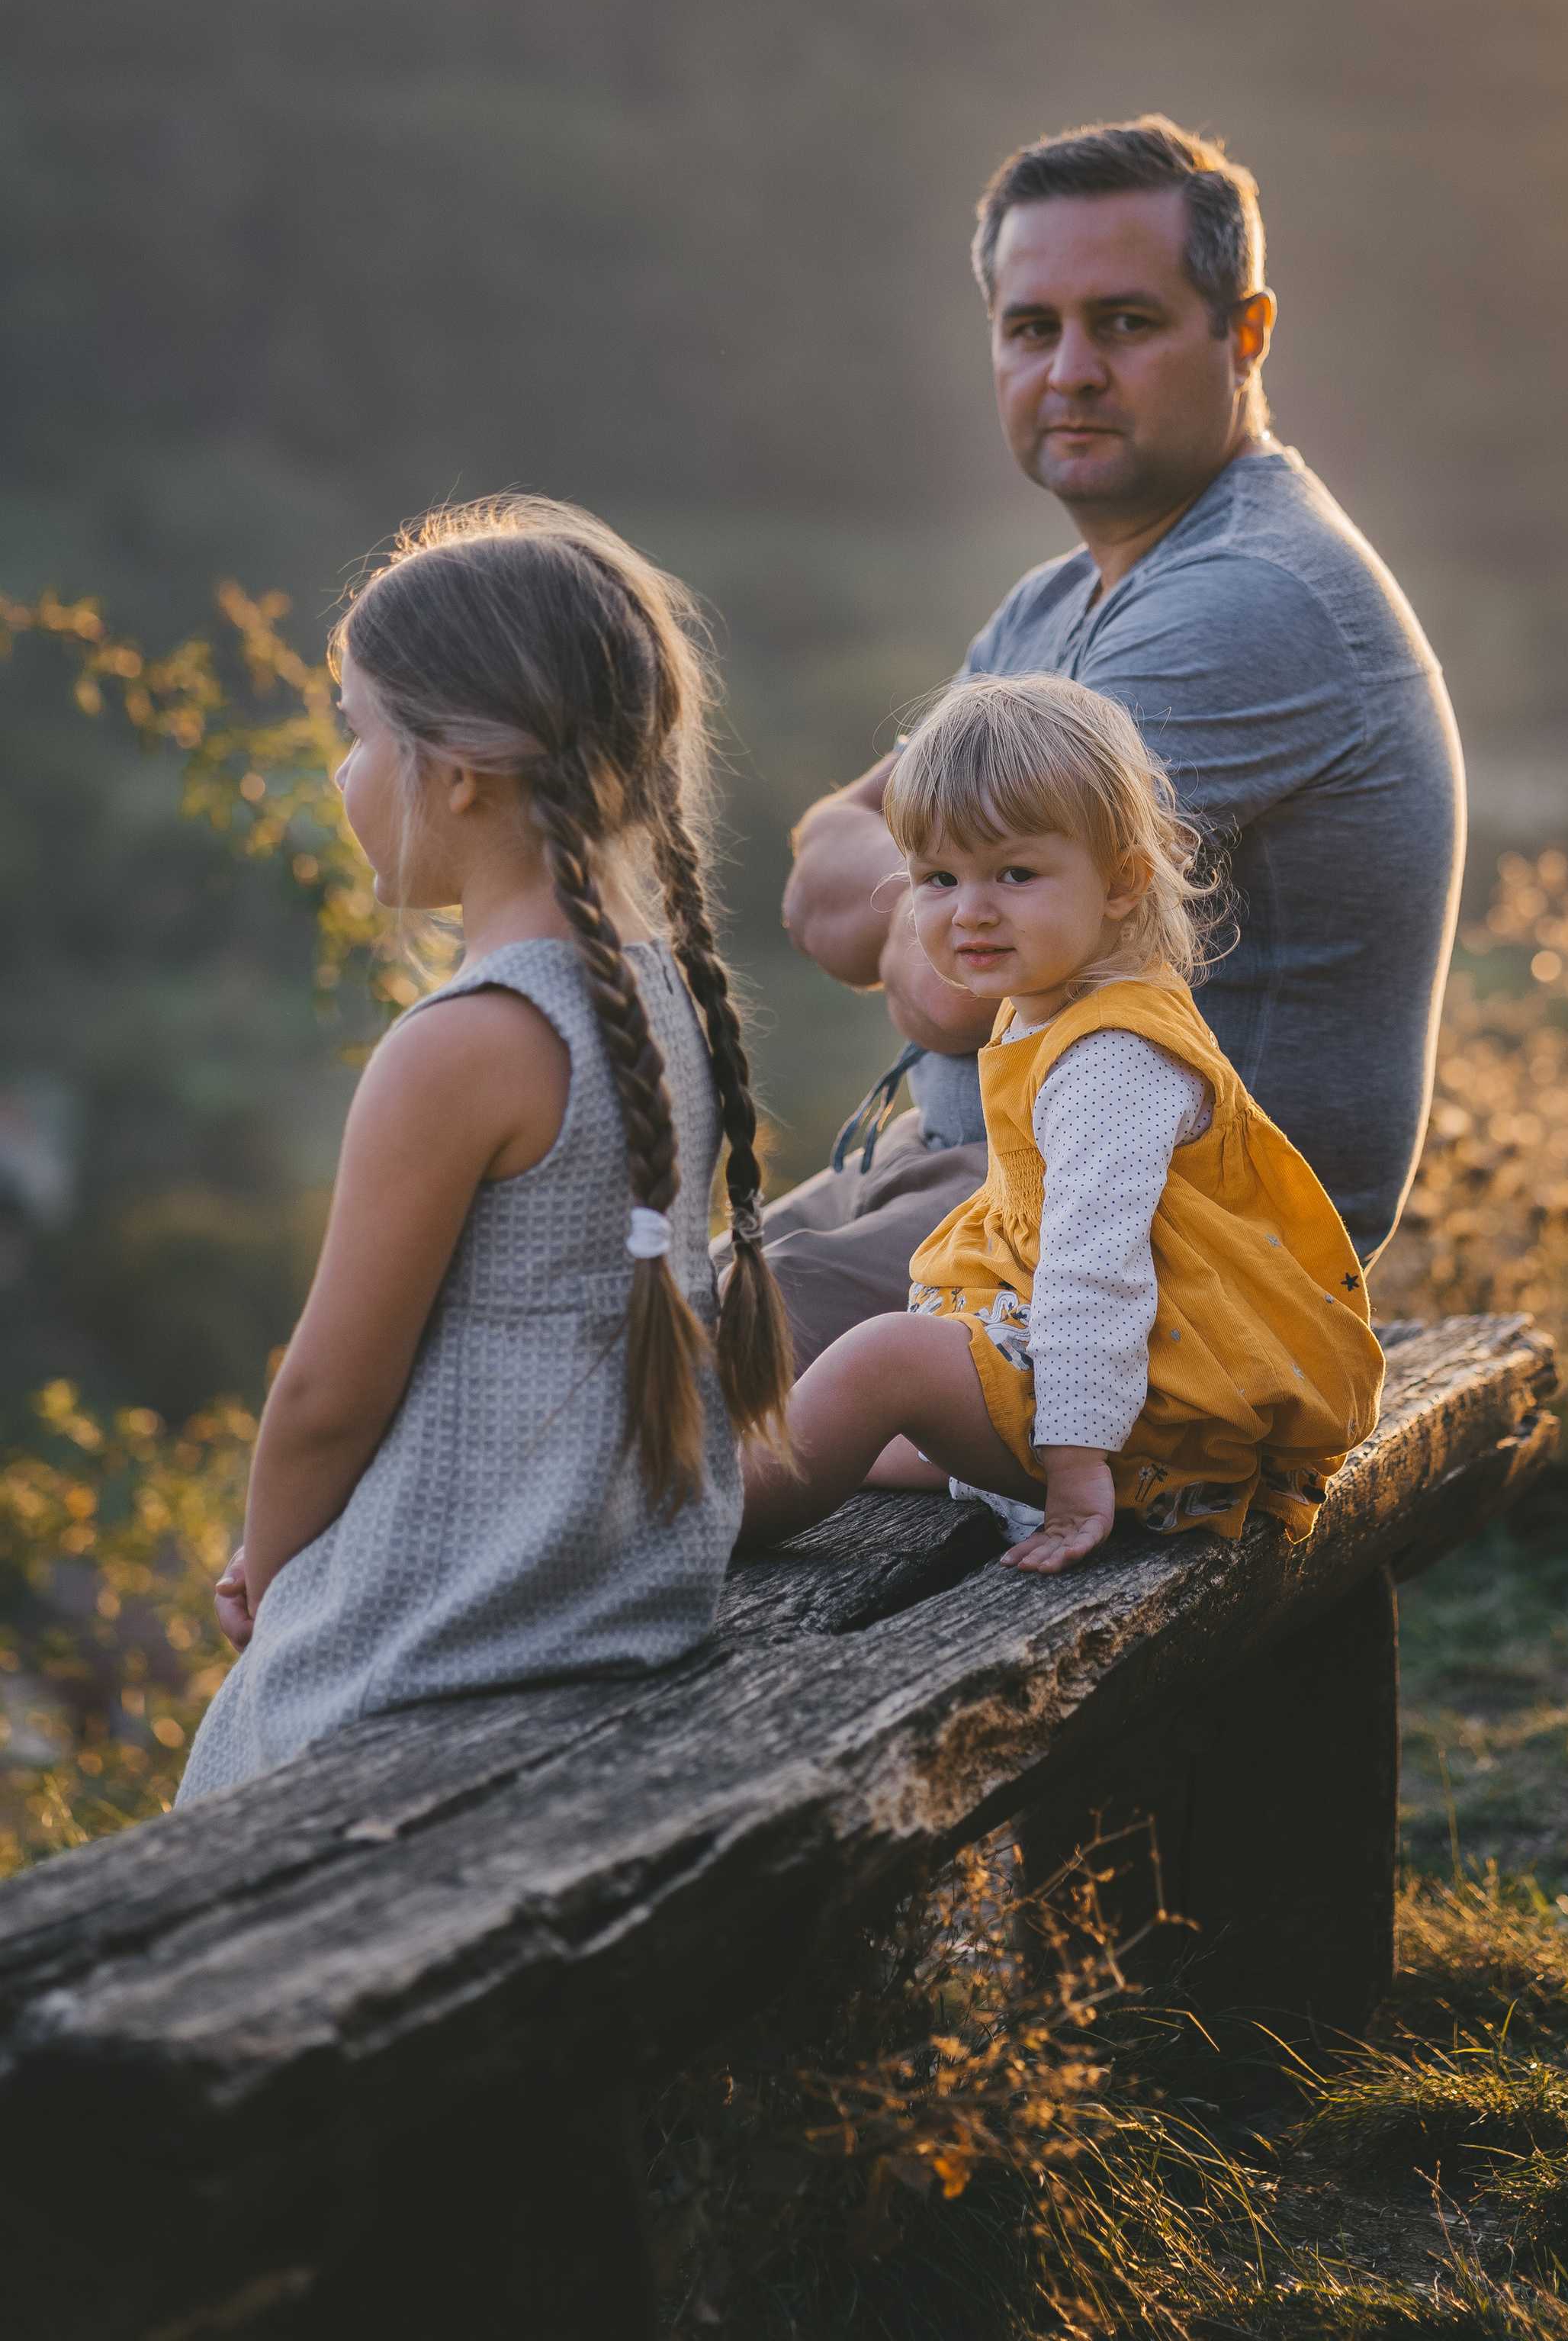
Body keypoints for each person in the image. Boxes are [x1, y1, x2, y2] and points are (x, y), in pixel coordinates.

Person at [764, 115, 1464, 1365]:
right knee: (552, 1341)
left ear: (1244, 335)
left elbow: (938, 994)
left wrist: (914, 901)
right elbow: (819, 868)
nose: (1071, 370)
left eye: (1125, 324)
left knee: (618, 1392)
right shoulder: (1050, 605)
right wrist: (941, 902)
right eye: (1033, 328)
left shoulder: (1248, 604)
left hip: (1158, 1264)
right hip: (978, 1192)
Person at [175, 497, 793, 1804]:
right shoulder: (662, 999)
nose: (342, 775)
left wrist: (273, 1570)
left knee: (219, 1780)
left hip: (454, 1638)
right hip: (618, 1601)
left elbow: (328, 1393)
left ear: (456, 772)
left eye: (354, 733)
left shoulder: (461, 1047)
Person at [739, 674, 1385, 1572]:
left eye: (1014, 873)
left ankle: (682, 1534)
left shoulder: (1111, 1055)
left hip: (1147, 1413)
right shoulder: (1051, 1000)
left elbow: (1097, 1268)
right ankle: (718, 1479)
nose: (970, 909)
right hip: (1104, 1380)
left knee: (881, 1362)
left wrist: (1079, 1468)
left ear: (1123, 881)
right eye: (937, 877)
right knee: (857, 1432)